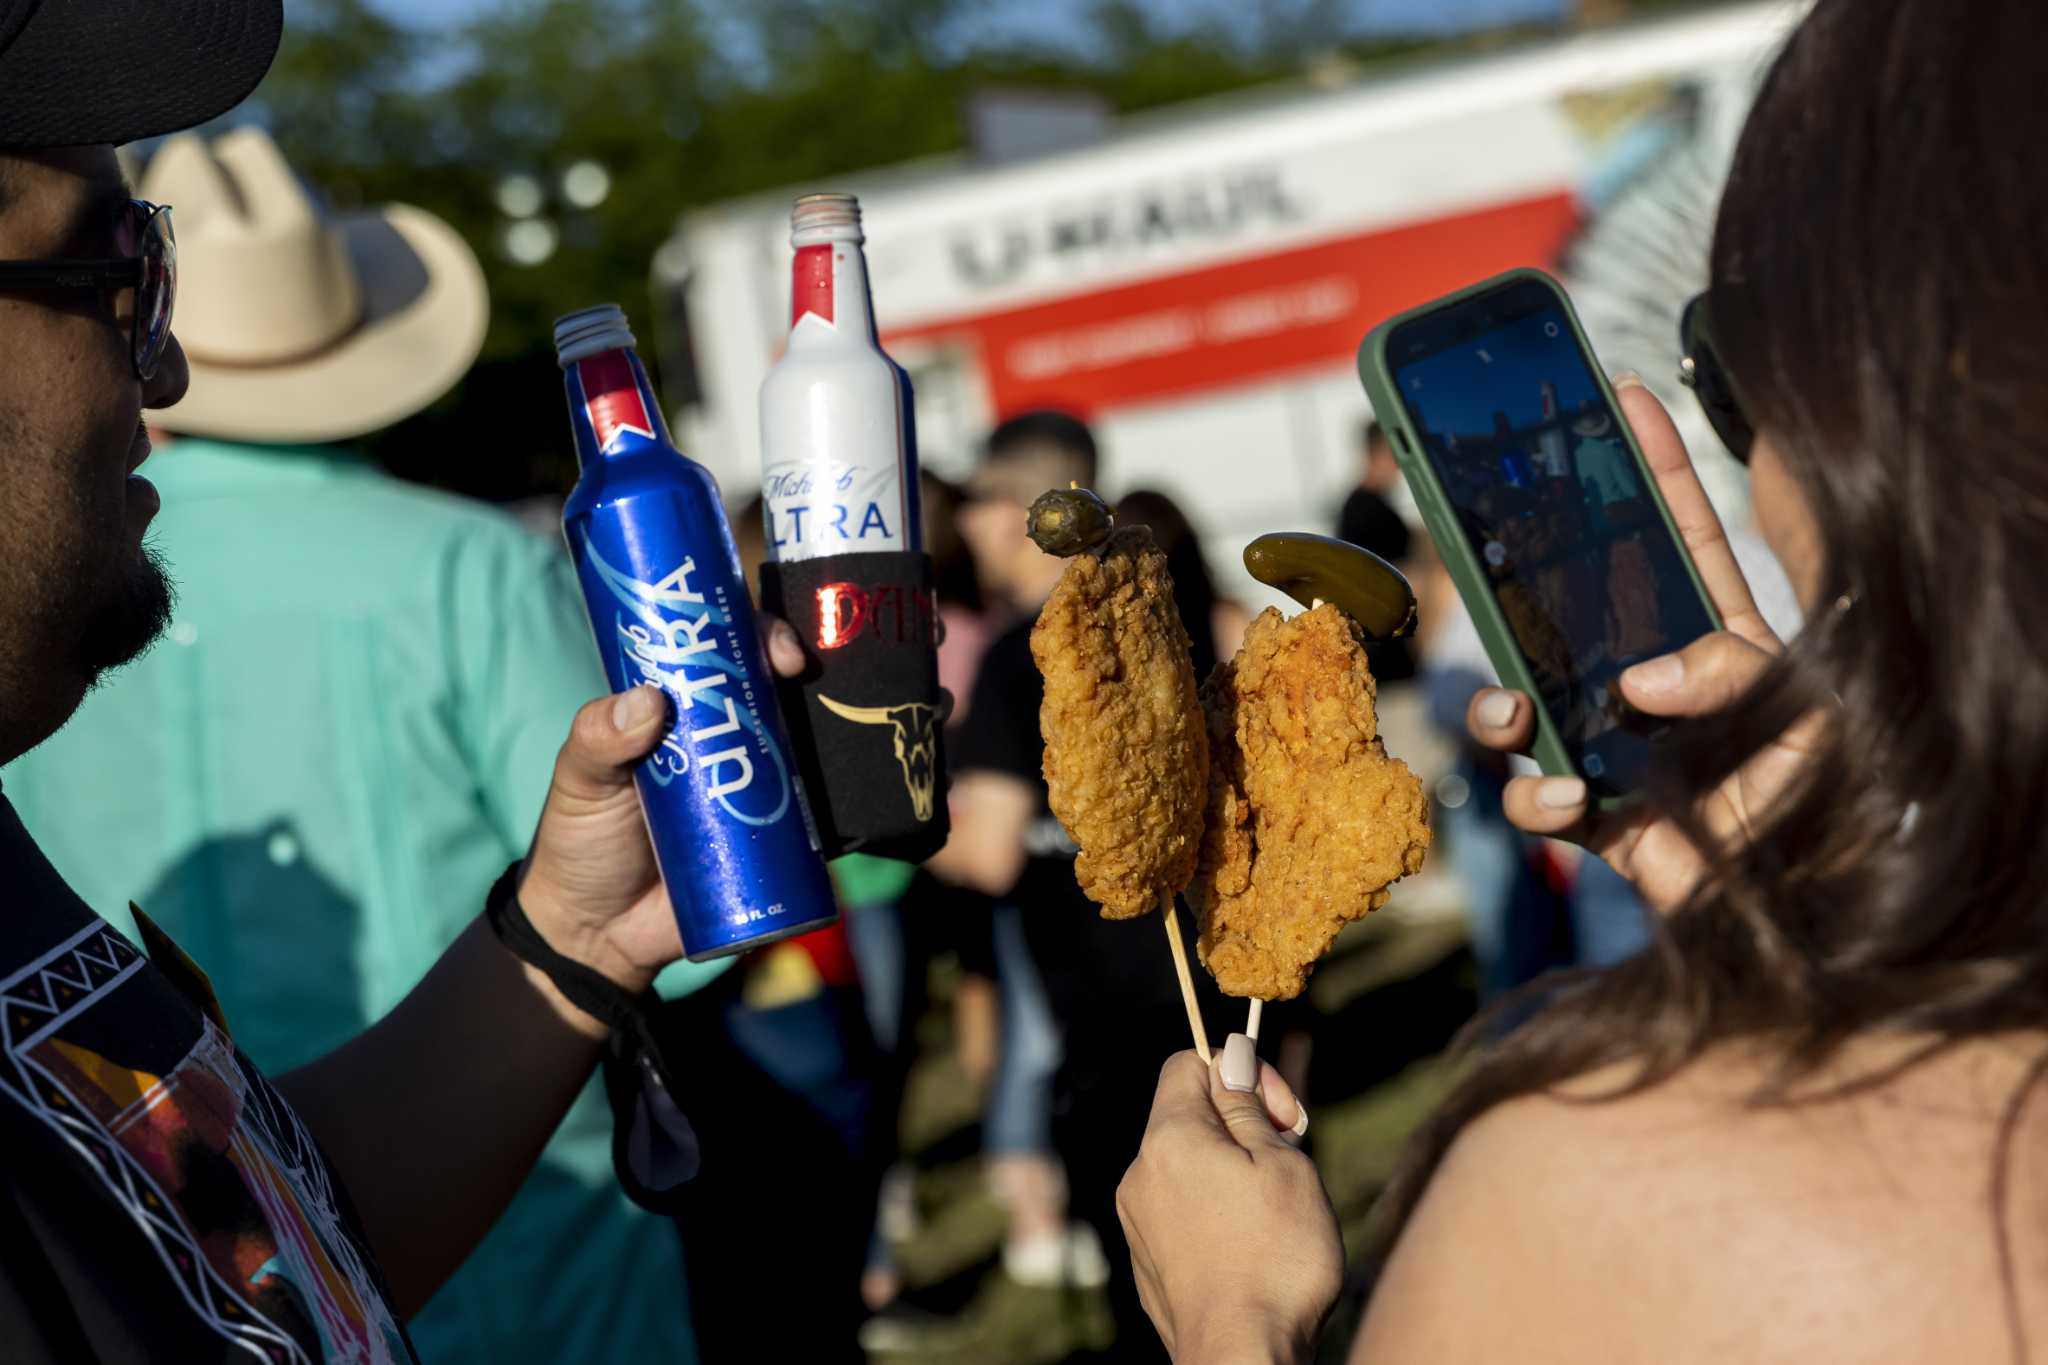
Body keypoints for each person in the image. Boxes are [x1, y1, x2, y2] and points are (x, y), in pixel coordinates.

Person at [1119, 2, 2048, 1358]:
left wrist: (1229, 1315)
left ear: (1881, 403)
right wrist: (1804, 921)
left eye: (1723, 362)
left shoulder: (1591, 1192)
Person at [0, 9, 810, 1359]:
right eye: (122, 273)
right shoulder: (464, 565)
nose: (168, 370)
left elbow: (233, 1250)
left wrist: (576, 933)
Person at [937, 410, 1232, 1362]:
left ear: (1026, 509)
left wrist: (875, 823)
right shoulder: (1157, 612)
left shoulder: (1025, 649)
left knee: (1149, 1282)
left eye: (978, 502)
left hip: (1107, 1017)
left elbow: (981, 850)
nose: (968, 528)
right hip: (1210, 973)